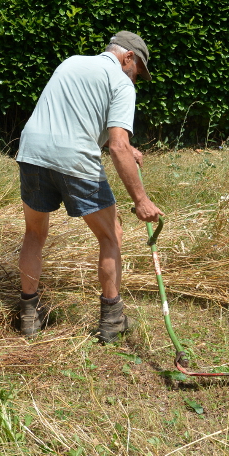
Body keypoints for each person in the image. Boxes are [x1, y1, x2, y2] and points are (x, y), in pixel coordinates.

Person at [16, 31, 163, 343]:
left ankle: (28, 315)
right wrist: (141, 200)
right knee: (112, 235)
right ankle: (112, 319)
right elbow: (118, 146)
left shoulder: (71, 63)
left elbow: (80, 119)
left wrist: (127, 147)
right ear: (128, 58)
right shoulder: (121, 83)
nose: (135, 80)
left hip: (32, 152)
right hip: (73, 160)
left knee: (34, 233)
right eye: (137, 73)